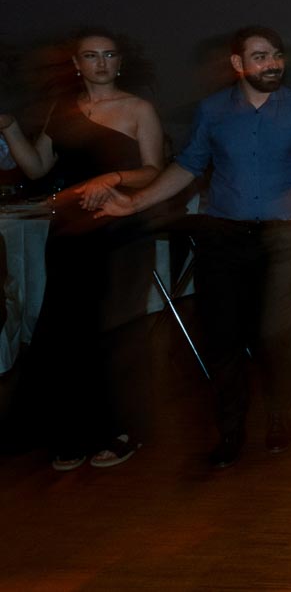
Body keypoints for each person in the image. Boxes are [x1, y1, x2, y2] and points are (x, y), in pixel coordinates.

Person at [99, 25, 291, 468]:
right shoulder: (213, 110)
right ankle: (230, 429)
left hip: (281, 242)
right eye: (261, 56)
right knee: (223, 338)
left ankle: (278, 416)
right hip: (222, 239)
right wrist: (133, 202)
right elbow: (188, 164)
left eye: (276, 55)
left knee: (274, 336)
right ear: (238, 64)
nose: (273, 63)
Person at [0, 29, 163, 469]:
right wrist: (11, 126)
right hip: (72, 238)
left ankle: (122, 430)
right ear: (77, 64)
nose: (101, 63)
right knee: (68, 334)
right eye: (91, 56)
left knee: (115, 336)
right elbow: (36, 168)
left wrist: (112, 178)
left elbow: (154, 172)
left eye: (109, 54)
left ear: (120, 62)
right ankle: (73, 431)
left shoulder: (137, 108)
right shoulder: (63, 111)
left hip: (120, 235)